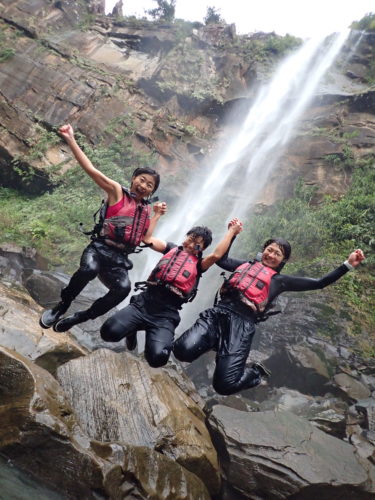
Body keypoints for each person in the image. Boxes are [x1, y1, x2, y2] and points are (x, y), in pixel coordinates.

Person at [173, 235, 365, 395]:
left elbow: (319, 283)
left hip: (242, 326)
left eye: (277, 253)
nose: (271, 255)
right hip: (217, 314)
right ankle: (213, 342)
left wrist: (347, 265)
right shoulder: (245, 265)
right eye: (269, 250)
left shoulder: (280, 281)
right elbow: (222, 260)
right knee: (181, 351)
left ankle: (256, 373)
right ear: (263, 250)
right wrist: (233, 234)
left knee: (224, 386)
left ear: (283, 260)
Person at [39, 123, 167, 332]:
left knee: (123, 289)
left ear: (151, 191)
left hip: (119, 260)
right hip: (99, 249)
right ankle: (62, 306)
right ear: (134, 179)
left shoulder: (145, 210)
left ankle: (80, 318)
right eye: (141, 180)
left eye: (149, 185)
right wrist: (71, 139)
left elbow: (145, 238)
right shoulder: (117, 192)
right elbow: (91, 169)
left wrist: (157, 215)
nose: (143, 186)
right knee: (89, 269)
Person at [100, 219, 243, 368]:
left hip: (165, 315)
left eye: (198, 245)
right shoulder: (170, 249)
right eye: (191, 239)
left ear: (202, 249)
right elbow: (147, 239)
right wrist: (157, 215)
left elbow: (216, 256)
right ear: (186, 237)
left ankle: (141, 330)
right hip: (143, 303)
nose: (192, 245)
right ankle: (132, 330)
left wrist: (231, 232)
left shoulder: (200, 265)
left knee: (158, 359)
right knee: (108, 333)